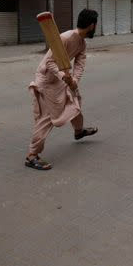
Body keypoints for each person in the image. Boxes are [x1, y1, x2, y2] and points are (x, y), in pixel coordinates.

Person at [25, 9, 99, 171]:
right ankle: (31, 156)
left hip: (61, 80)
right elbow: (49, 63)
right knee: (47, 118)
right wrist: (63, 76)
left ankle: (78, 131)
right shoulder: (65, 38)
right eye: (96, 25)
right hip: (46, 81)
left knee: (75, 101)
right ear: (92, 25)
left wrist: (74, 81)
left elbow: (79, 64)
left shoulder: (82, 43)